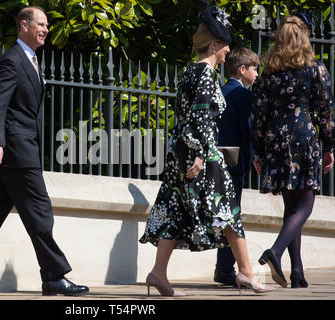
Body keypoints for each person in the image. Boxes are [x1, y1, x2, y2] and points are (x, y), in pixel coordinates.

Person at [0, 6, 89, 296]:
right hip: (17, 151)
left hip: (20, 151)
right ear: (24, 25)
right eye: (41, 24)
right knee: (40, 213)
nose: (46, 29)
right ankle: (54, 276)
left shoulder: (31, 60)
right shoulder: (13, 60)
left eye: (47, 25)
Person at [139, 5, 273, 296]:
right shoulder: (206, 75)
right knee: (227, 210)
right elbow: (201, 116)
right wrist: (200, 154)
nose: (227, 51)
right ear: (213, 45)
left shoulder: (190, 71)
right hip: (200, 153)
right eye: (224, 45)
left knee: (174, 210)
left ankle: (158, 273)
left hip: (180, 151)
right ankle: (247, 272)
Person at [252, 12, 334, 289]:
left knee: (291, 207)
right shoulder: (315, 69)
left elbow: (260, 114)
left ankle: (297, 272)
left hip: (276, 138)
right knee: (306, 204)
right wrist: (330, 146)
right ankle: (275, 251)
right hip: (304, 137)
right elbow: (326, 112)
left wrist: (260, 150)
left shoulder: (269, 73)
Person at [214, 47, 259, 286]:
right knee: (231, 213)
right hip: (234, 156)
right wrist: (252, 159)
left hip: (217, 155)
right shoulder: (244, 96)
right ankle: (224, 268)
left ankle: (224, 267)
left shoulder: (219, 91)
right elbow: (247, 132)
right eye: (254, 69)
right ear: (242, 70)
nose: (257, 74)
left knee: (222, 213)